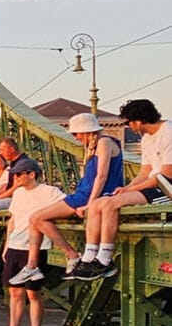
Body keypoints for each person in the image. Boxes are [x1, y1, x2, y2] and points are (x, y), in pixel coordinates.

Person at [9, 112, 123, 286]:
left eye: (77, 134)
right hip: (83, 194)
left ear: (86, 131)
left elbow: (102, 176)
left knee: (36, 217)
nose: (76, 138)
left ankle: (71, 255)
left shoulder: (104, 142)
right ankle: (33, 265)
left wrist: (90, 204)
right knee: (36, 219)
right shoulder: (95, 146)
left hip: (87, 196)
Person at [69, 99, 172, 281]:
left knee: (110, 204)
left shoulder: (168, 133)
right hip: (154, 185)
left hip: (167, 189)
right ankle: (89, 256)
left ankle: (105, 259)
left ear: (138, 121)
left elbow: (165, 174)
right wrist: (126, 189)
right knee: (98, 204)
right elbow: (145, 172)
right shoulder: (147, 138)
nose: (129, 126)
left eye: (129, 122)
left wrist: (133, 189)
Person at [0, 158, 65, 326]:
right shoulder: (18, 194)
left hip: (35, 249)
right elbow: (13, 220)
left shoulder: (50, 192)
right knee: (15, 292)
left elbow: (65, 207)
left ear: (31, 174)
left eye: (18, 174)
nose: (14, 178)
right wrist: (6, 245)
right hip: (15, 246)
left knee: (33, 293)